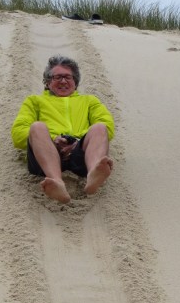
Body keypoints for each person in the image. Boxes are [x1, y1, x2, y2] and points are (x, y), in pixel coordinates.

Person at [11, 55, 114, 204]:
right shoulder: (34, 101)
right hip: (47, 154)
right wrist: (53, 139)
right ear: (47, 82)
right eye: (57, 77)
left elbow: (108, 126)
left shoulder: (89, 101)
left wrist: (77, 142)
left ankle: (93, 174)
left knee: (100, 127)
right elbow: (18, 132)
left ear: (75, 82)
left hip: (80, 153)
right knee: (37, 127)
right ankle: (56, 181)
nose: (63, 81)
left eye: (68, 77)